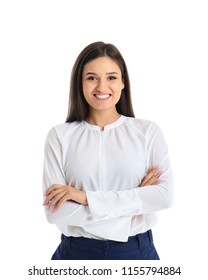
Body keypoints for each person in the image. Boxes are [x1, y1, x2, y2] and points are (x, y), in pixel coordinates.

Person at [42, 41, 174, 260]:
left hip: (136, 254)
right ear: (80, 83)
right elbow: (56, 212)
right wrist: (137, 200)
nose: (102, 87)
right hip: (76, 254)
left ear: (123, 82)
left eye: (111, 77)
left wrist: (85, 198)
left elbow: (164, 197)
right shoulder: (59, 136)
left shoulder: (148, 132)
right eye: (92, 78)